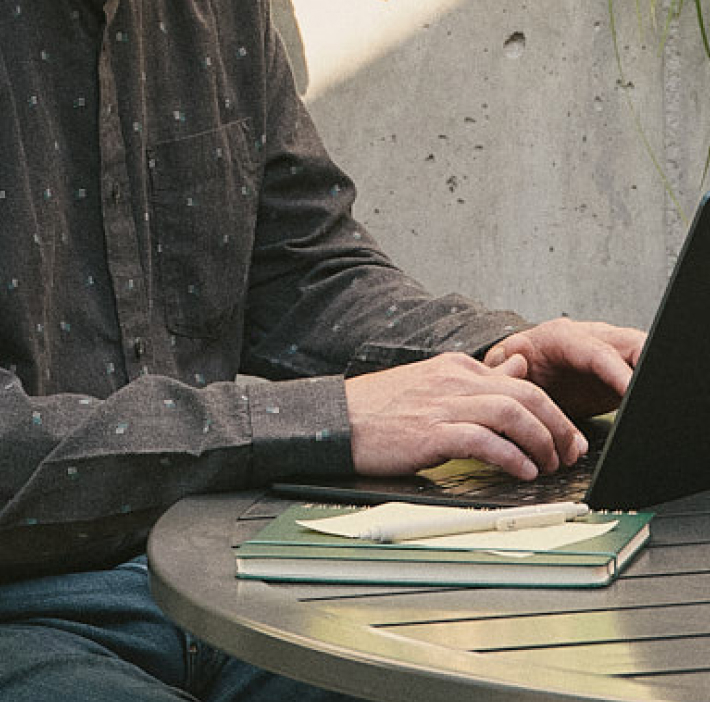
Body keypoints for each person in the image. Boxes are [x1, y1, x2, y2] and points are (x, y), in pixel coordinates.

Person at [0, 1, 645, 700]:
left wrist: (492, 357)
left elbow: (299, 267)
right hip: (26, 608)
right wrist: (325, 420)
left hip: (234, 577)